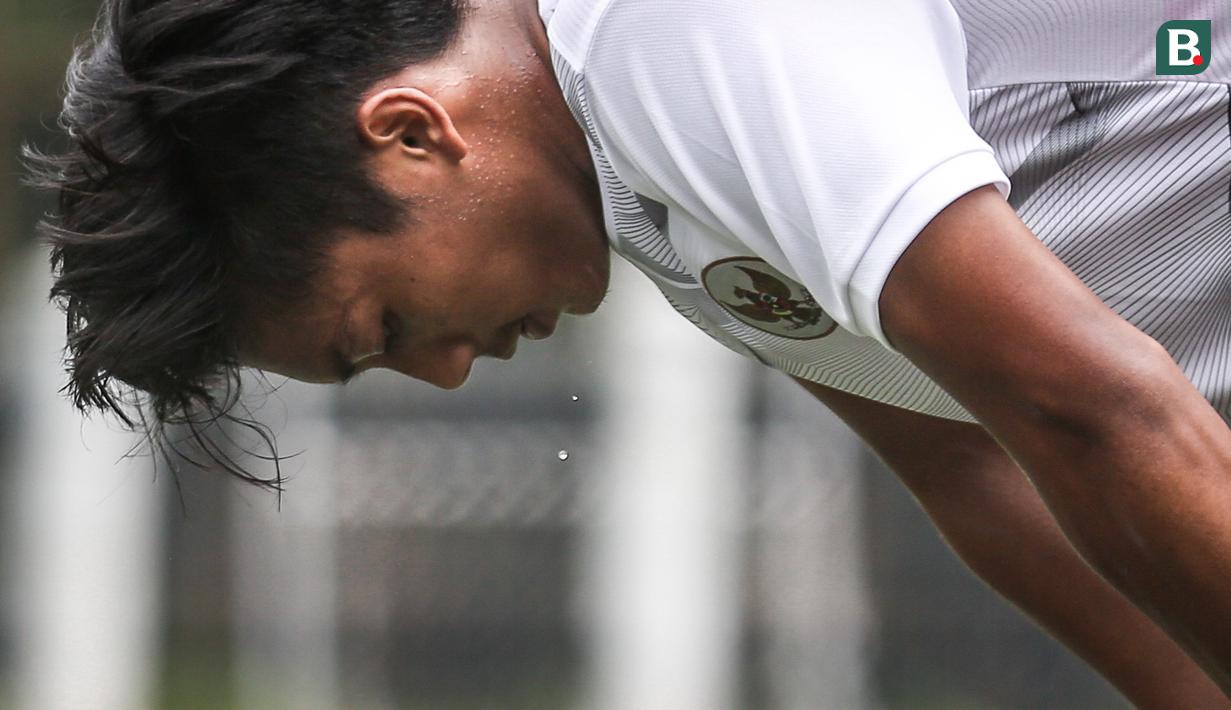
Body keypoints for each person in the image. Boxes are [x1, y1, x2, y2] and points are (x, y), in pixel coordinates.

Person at [26, 0, 1231, 704]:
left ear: (410, 132)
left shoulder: (668, 37)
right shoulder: (638, 180)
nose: (447, 372)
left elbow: (1085, 406)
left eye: (382, 331)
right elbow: (974, 465)